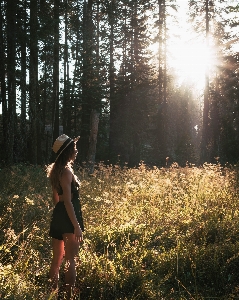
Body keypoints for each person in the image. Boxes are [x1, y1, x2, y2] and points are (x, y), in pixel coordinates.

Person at [46, 134, 84, 299]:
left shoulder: (55, 171)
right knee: (71, 261)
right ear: (68, 151)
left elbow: (57, 200)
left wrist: (60, 216)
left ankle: (52, 295)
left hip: (58, 217)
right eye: (74, 148)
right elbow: (68, 201)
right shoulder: (67, 172)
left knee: (56, 261)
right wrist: (76, 226)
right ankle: (69, 296)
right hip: (69, 219)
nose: (76, 151)